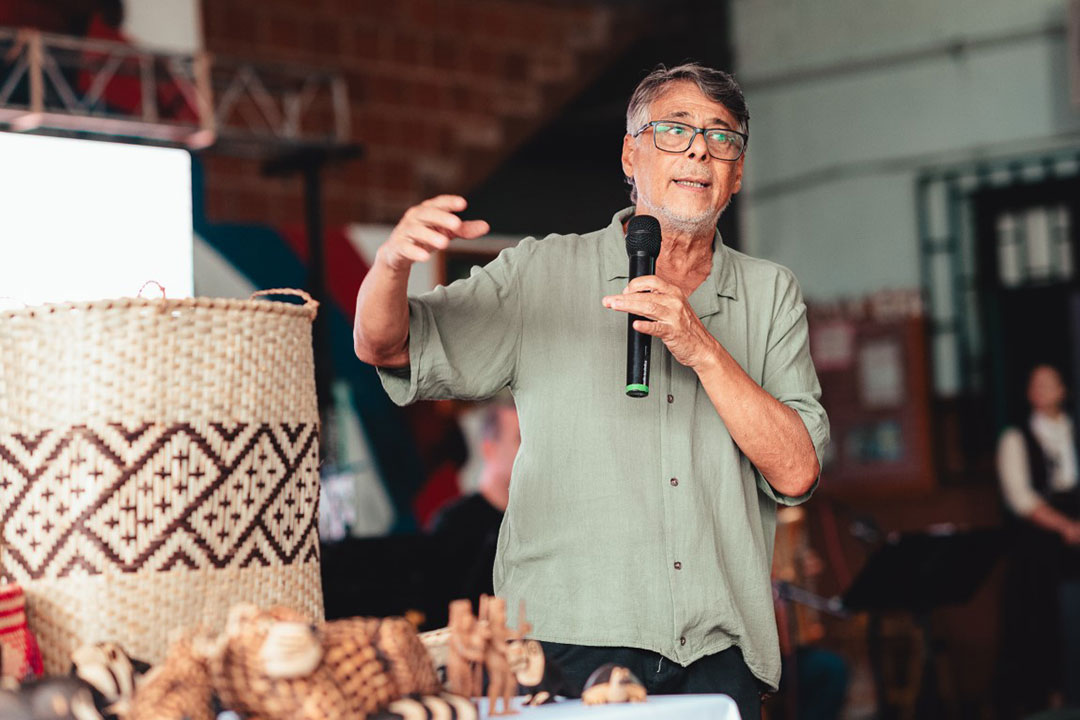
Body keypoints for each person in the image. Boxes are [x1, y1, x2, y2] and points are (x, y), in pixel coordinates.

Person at [353, 62, 829, 719]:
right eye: (673, 130)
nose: (699, 149)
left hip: (718, 653)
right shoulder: (542, 271)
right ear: (631, 153)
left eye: (722, 138)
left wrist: (700, 347)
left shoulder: (769, 294)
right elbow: (388, 346)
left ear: (737, 172)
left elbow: (798, 471)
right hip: (561, 644)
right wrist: (391, 264)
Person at [996, 364, 1080, 713]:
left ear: (1063, 390)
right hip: (1042, 552)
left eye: (1051, 384)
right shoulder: (1016, 438)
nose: (1044, 391)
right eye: (1036, 385)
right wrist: (1067, 528)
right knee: (1049, 631)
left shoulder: (1073, 431)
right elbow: (1021, 498)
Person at [426, 397, 520, 628]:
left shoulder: (535, 520)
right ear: (489, 449)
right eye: (519, 439)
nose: (530, 451)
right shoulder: (452, 524)